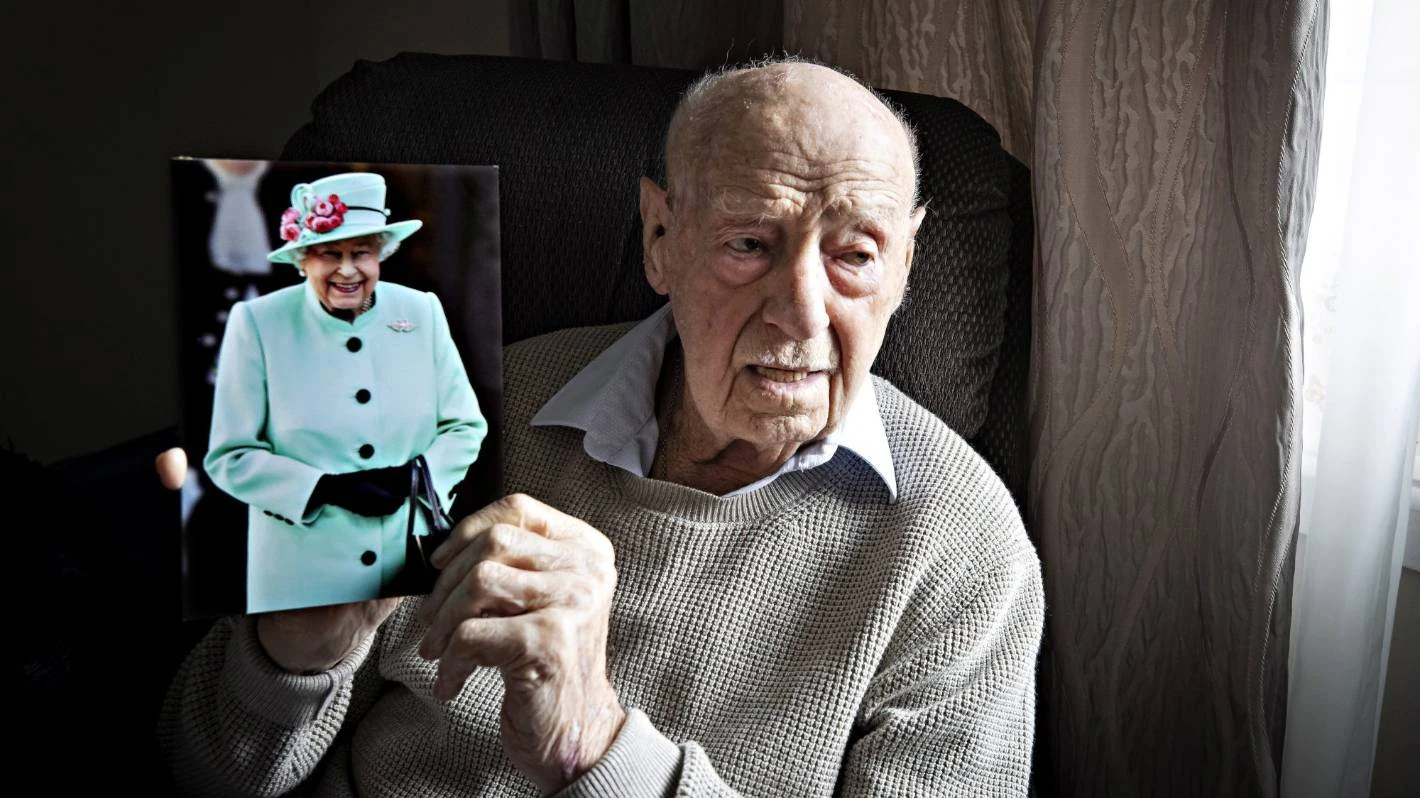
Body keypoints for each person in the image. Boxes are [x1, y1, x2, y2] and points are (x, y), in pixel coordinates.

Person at [159, 60, 1043, 796]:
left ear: (906, 263)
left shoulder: (967, 550)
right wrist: (294, 657)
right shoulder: (466, 406)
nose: (802, 313)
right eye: (749, 245)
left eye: (856, 254)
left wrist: (597, 748)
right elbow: (208, 772)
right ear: (661, 237)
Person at [202, 171, 487, 613]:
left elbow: (464, 425)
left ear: (381, 255)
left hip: (408, 561)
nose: (348, 269)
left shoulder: (421, 310)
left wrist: (419, 477)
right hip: (301, 575)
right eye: (329, 254)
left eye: (361, 253)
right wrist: (322, 489)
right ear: (302, 260)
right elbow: (230, 455)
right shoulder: (258, 322)